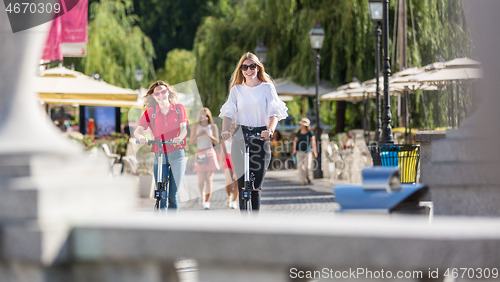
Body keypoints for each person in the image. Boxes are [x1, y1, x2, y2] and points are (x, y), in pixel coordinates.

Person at [220, 52, 288, 212]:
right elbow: (229, 112)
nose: (249, 70)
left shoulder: (267, 88)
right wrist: (224, 130)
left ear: (258, 68)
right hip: (241, 135)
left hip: (261, 135)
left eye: (252, 66)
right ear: (241, 70)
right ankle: (244, 222)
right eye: (245, 67)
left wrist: (270, 130)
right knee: (243, 185)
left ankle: (255, 224)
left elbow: (274, 112)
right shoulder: (236, 89)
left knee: (256, 187)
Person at [134, 81, 188, 210]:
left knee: (173, 195)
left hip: (177, 154)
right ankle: (161, 223)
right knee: (161, 195)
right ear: (153, 96)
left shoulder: (179, 108)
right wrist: (141, 137)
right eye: (157, 93)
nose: (161, 95)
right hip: (159, 153)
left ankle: (172, 226)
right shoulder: (150, 112)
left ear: (168, 92)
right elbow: (138, 131)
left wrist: (179, 138)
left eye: (163, 91)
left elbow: (184, 129)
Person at [189, 107, 220, 210]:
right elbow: (191, 142)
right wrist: (198, 135)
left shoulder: (213, 126)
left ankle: (207, 201)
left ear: (208, 117)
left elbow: (217, 142)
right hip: (200, 153)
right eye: (202, 116)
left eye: (206, 116)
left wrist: (210, 136)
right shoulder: (195, 126)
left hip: (210, 152)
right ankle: (202, 195)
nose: (204, 118)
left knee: (209, 179)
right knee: (201, 180)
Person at [292, 118, 318, 186]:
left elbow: (313, 142)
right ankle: (303, 180)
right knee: (300, 166)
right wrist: (294, 150)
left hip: (307, 151)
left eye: (302, 124)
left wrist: (315, 151)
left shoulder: (310, 133)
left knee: (307, 166)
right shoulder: (299, 132)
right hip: (299, 151)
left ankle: (308, 176)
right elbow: (295, 141)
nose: (301, 125)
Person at [221, 123, 238, 209]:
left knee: (237, 182)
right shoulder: (225, 138)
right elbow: (223, 151)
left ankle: (234, 201)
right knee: (228, 181)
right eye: (231, 127)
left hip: (237, 159)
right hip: (227, 158)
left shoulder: (239, 138)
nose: (233, 129)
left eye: (234, 128)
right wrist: (221, 162)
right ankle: (229, 196)